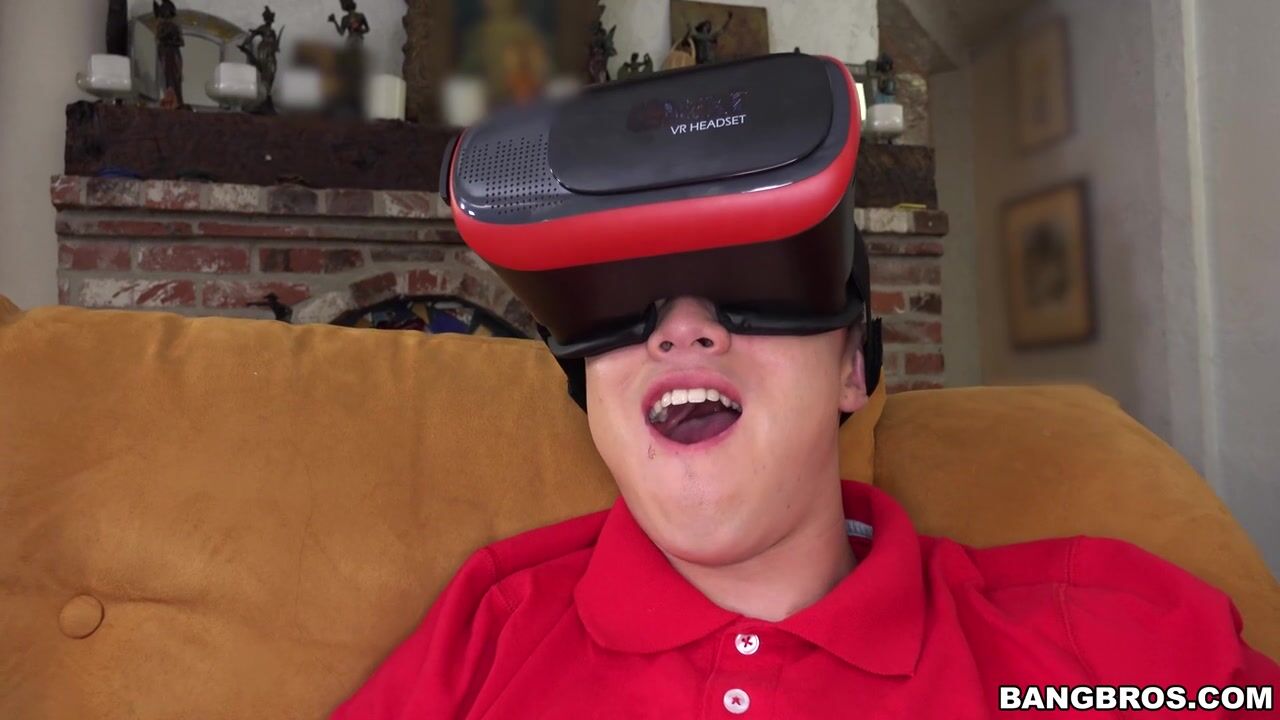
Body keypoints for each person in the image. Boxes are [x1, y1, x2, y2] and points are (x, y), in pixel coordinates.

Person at [331, 54, 1278, 718]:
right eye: (622, 301)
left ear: (853, 368)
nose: (682, 329)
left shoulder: (1107, 643)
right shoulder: (486, 636)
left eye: (748, 283)